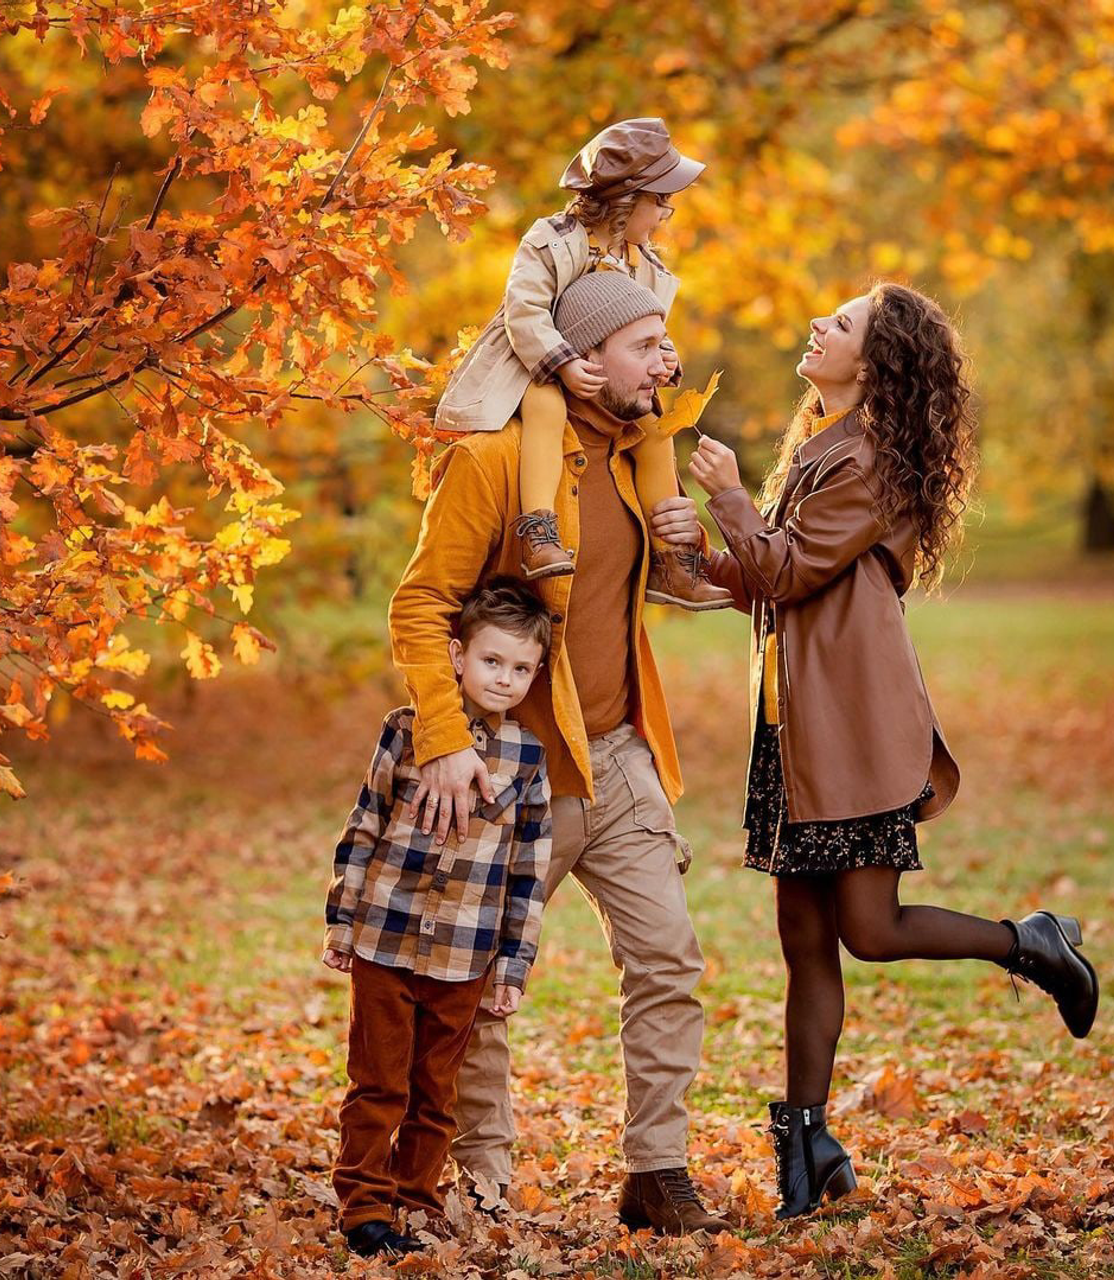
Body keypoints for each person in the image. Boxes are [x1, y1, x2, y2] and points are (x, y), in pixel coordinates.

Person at [678, 281, 1100, 1220]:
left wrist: (727, 499)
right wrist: (699, 558)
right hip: (798, 725)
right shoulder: (823, 449)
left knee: (867, 930)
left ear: (869, 366)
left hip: (853, 728)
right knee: (802, 942)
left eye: (841, 322)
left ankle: (1028, 944)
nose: (818, 323)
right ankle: (807, 1139)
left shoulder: (867, 458)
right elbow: (785, 581)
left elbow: (786, 567)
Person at [389, 270, 732, 1236]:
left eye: (666, 341)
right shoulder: (497, 466)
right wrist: (447, 743)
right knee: (481, 985)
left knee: (669, 959)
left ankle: (658, 1172)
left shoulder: (638, 460)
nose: (666, 361)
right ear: (584, 361)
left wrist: (694, 547)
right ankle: (485, 1177)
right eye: (646, 343)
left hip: (619, 756)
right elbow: (419, 604)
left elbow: (675, 592)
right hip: (506, 770)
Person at [322, 579, 553, 1259]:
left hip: (465, 954)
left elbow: (528, 875)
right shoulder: (405, 729)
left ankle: (413, 1205)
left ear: (536, 673)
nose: (505, 679)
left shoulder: (530, 759)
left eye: (521, 668)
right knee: (377, 1082)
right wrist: (341, 921)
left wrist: (513, 966)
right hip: (385, 938)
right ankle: (364, 1208)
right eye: (492, 662)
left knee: (434, 1092)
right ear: (456, 656)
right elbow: (364, 825)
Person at [434, 116, 730, 611]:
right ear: (627, 198)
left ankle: (671, 560)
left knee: (656, 430)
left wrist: (662, 356)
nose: (666, 214)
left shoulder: (643, 262)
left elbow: (648, 325)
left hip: (600, 377)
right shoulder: (553, 239)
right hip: (536, 365)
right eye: (660, 201)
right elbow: (524, 310)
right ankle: (538, 530)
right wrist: (564, 362)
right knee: (546, 410)